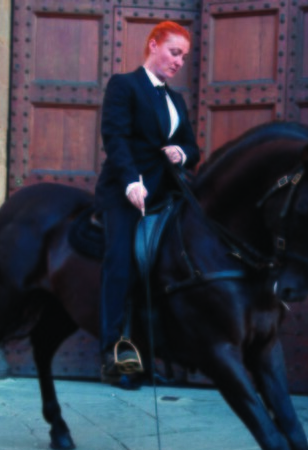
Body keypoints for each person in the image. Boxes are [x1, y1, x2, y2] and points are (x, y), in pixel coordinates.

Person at [94, 21, 200, 385]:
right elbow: (115, 137)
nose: (179, 61)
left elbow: (193, 147)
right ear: (153, 45)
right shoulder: (124, 85)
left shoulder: (176, 100)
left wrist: (182, 153)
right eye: (174, 52)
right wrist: (130, 182)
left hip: (166, 195)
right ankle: (112, 355)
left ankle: (151, 355)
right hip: (126, 192)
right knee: (120, 264)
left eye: (183, 56)